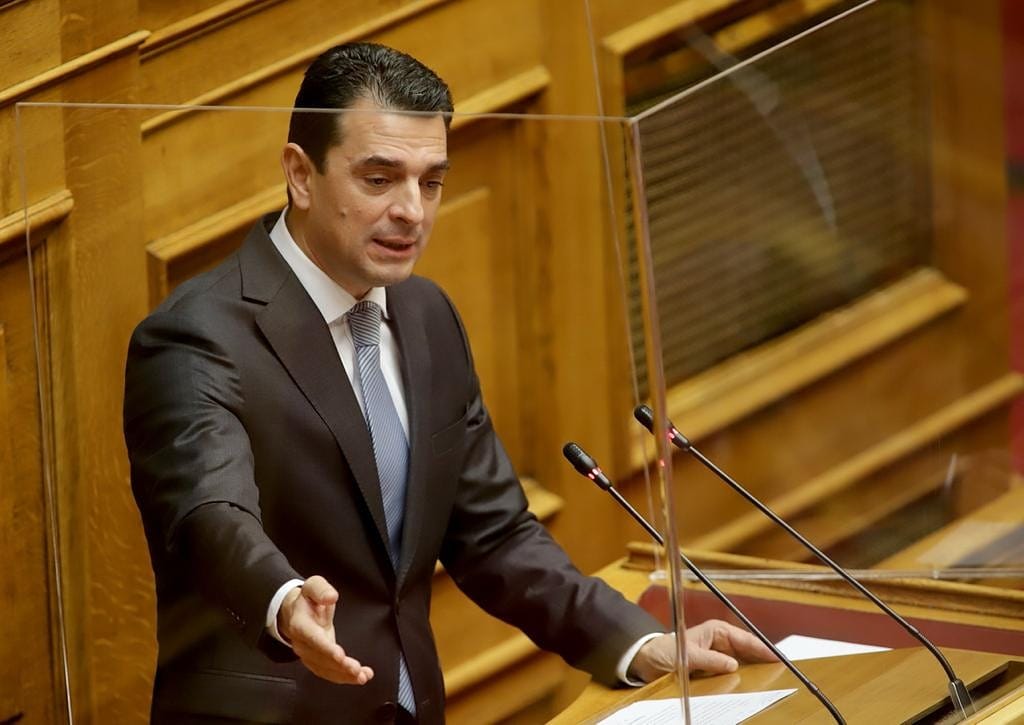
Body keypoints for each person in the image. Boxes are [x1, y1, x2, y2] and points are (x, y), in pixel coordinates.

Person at [124, 42, 775, 724]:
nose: (412, 210)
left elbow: (494, 534)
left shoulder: (425, 314)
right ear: (301, 174)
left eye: (430, 182)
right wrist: (285, 601)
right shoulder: (198, 336)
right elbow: (210, 514)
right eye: (380, 179)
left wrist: (640, 644)